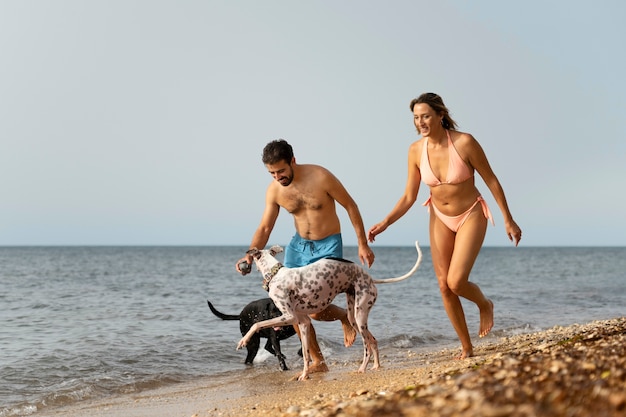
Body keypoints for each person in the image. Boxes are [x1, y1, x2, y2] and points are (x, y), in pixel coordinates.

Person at [367, 93, 522, 360]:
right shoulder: (416, 150)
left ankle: (484, 304)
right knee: (443, 285)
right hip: (439, 216)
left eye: (425, 116)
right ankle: (466, 346)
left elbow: (491, 180)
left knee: (456, 281)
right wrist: (386, 222)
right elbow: (408, 196)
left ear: (440, 115)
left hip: (470, 214)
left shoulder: (465, 143)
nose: (420, 122)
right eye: (416, 117)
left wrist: (508, 218)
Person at [236, 139, 375, 373]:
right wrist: (250, 255)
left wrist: (362, 243)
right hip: (298, 247)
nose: (278, 176)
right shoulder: (274, 190)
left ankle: (343, 317)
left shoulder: (321, 177)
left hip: (328, 246)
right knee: (293, 309)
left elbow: (350, 205)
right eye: (272, 173)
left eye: (281, 170)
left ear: (293, 161)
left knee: (318, 310)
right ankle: (318, 362)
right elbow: (265, 228)